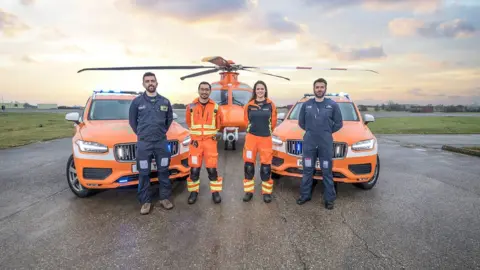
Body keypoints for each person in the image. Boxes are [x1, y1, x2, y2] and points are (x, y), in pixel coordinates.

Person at [129, 72, 174, 214]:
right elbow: (132, 122)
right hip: (144, 144)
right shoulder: (137, 102)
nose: (150, 83)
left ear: (157, 83)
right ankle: (145, 201)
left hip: (161, 143)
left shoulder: (165, 102)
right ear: (143, 84)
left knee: (164, 171)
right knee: (143, 173)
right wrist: (142, 134)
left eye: (152, 81)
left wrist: (160, 132)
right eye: (147, 81)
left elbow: (169, 120)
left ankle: (165, 198)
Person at [296, 78, 343, 210]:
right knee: (307, 170)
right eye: (317, 87)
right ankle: (305, 195)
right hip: (309, 143)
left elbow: (339, 123)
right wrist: (312, 132)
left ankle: (329, 199)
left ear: (325, 89)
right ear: (314, 89)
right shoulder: (307, 105)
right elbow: (301, 123)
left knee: (327, 171)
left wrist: (326, 132)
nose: (319, 89)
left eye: (322, 87)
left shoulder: (332, 105)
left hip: (325, 144)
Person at [185, 81, 223, 204]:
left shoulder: (216, 107)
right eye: (202, 89)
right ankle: (193, 192)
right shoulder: (190, 107)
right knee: (194, 170)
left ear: (210, 91)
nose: (204, 91)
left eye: (207, 89)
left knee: (212, 169)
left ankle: (215, 192)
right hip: (196, 144)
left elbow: (219, 124)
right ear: (198, 90)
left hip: (210, 143)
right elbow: (189, 123)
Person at [242, 80, 277, 203]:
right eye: (258, 89)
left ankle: (266, 193)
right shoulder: (249, 105)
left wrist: (266, 131)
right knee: (249, 166)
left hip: (265, 139)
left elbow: (273, 123)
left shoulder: (270, 105)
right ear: (255, 91)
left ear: (265, 90)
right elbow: (246, 121)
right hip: (251, 138)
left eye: (262, 89)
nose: (260, 91)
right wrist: (252, 130)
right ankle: (248, 191)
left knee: (266, 167)